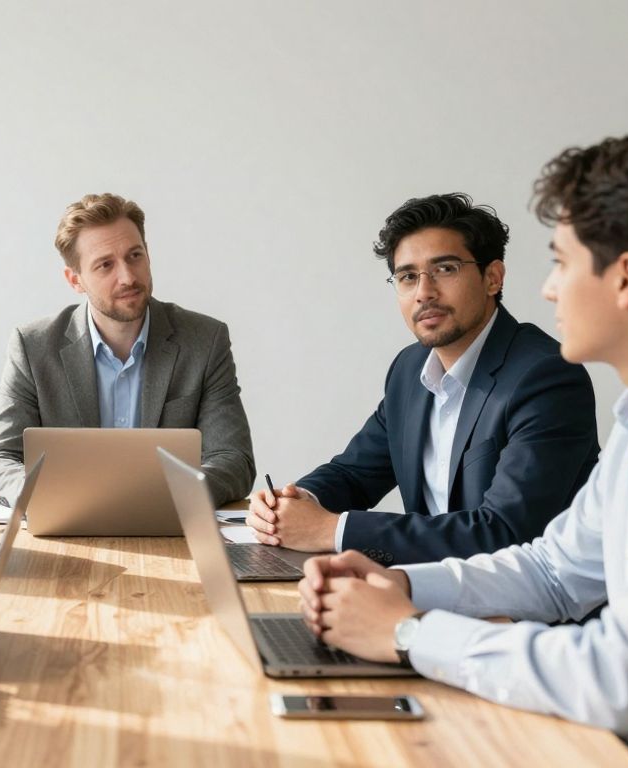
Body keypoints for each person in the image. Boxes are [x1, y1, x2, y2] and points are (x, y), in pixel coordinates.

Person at [298, 130, 628, 767]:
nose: (548, 289)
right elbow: (552, 571)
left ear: (625, 278)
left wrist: (406, 631)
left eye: (562, 262)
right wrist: (397, 581)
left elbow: (624, 680)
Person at [248, 194, 599, 563]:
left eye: (445, 269)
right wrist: (292, 504)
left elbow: (505, 531)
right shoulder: (409, 370)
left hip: (522, 612)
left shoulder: (545, 377)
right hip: (431, 591)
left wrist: (331, 530)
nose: (423, 292)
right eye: (408, 276)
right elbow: (353, 473)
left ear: (492, 277)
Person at [0, 192, 256, 505]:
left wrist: (164, 494)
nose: (128, 277)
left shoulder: (204, 340)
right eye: (105, 265)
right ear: (75, 279)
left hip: (169, 524)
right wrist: (48, 494)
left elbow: (234, 460)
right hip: (68, 525)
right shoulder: (33, 347)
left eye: (135, 256)